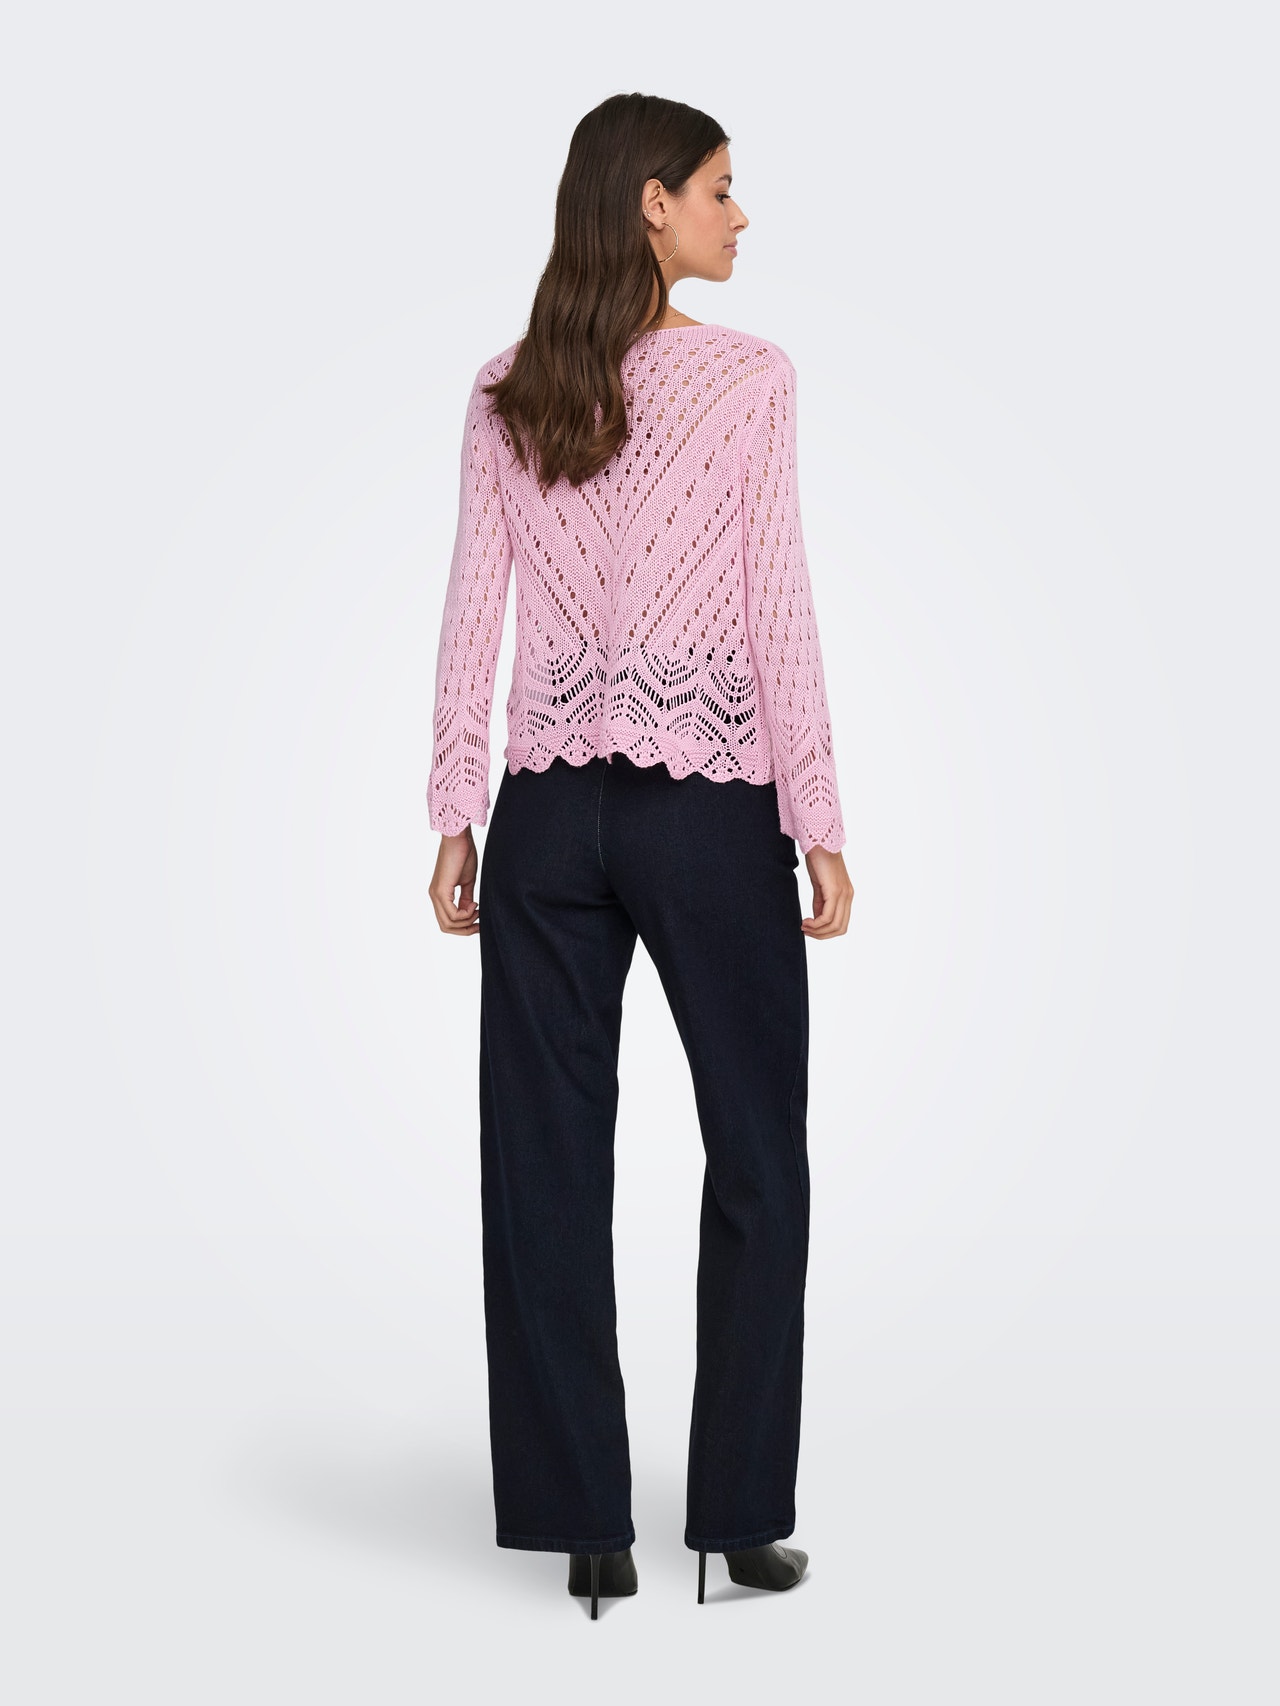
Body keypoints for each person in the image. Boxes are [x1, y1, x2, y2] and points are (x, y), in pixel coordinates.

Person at [427, 91, 854, 1619]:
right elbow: (776, 601)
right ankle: (734, 1520)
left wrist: (457, 808)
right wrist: (817, 816)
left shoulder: (509, 386)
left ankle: (585, 1528)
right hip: (705, 806)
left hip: (546, 816)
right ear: (652, 202)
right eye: (722, 189)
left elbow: (470, 606)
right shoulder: (748, 381)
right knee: (758, 1151)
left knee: (541, 1160)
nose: (742, 216)